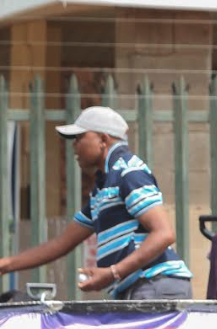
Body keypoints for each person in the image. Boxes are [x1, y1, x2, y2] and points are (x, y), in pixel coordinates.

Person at [0, 106, 192, 299]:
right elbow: (61, 244)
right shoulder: (102, 189)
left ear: (102, 139)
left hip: (155, 285)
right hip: (141, 288)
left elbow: (164, 233)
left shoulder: (128, 172)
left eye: (79, 137)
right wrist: (5, 264)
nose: (74, 145)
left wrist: (113, 273)